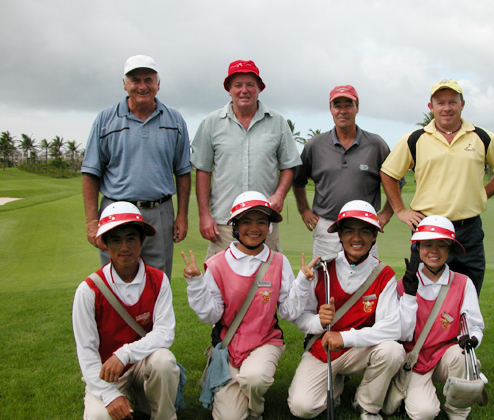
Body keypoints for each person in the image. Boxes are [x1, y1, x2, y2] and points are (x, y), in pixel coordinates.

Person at [182, 191, 314, 420]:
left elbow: (287, 311)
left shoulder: (278, 261)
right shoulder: (217, 264)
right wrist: (196, 284)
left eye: (261, 221)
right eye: (246, 221)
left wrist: (302, 283)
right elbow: (211, 315)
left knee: (254, 378)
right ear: (235, 226)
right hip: (229, 345)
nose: (254, 228)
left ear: (269, 227)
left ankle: (255, 410)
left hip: (265, 340)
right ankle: (238, 395)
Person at [380, 78, 494, 293]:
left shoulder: (481, 137)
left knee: (467, 293)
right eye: (440, 103)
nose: (447, 108)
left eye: (452, 102)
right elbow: (388, 173)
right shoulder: (415, 138)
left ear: (462, 104)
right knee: (419, 295)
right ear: (431, 106)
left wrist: (481, 194)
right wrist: (400, 210)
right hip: (427, 228)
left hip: (468, 229)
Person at [287, 200, 416, 420]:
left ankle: (366, 403)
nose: (356, 238)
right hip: (324, 348)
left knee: (392, 351)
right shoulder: (322, 268)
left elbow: (392, 329)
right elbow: (299, 317)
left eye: (364, 231)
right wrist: (318, 322)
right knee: (302, 408)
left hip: (359, 349)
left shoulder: (383, 274)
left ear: (374, 236)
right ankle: (336, 382)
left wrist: (345, 338)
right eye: (349, 231)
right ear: (339, 235)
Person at [81, 54, 192, 279]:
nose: (142, 86)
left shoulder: (175, 120)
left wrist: (182, 216)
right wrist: (92, 221)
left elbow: (182, 172)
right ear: (125, 84)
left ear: (158, 84)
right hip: (116, 212)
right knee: (115, 281)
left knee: (157, 280)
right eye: (135, 80)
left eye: (148, 80)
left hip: (159, 212)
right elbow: (91, 173)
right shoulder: (105, 120)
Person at [72, 201, 180, 420]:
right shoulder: (88, 290)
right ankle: (123, 399)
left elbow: (165, 333)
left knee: (164, 360)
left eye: (131, 238)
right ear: (105, 244)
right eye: (115, 240)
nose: (124, 247)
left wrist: (124, 354)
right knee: (99, 417)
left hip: (142, 366)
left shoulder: (158, 279)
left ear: (142, 240)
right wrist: (110, 395)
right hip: (108, 374)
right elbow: (87, 351)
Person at [190, 60, 301, 261]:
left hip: (264, 222)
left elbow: (288, 166)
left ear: (259, 88)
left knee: (268, 279)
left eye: (250, 85)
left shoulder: (277, 122)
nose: (244, 90)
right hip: (224, 224)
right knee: (220, 280)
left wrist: (279, 195)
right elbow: (203, 171)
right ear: (229, 90)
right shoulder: (211, 122)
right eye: (238, 85)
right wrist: (204, 215)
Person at [293, 84, 405, 259]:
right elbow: (298, 180)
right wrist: (304, 210)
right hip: (327, 228)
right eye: (337, 106)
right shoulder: (315, 145)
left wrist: (386, 213)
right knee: (325, 275)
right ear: (331, 109)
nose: (343, 111)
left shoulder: (376, 144)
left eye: (348, 105)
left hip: (365, 228)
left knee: (367, 276)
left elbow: (396, 180)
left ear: (357, 108)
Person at [394, 215, 484, 420]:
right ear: (417, 248)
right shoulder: (404, 284)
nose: (434, 251)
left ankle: (457, 411)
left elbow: (474, 325)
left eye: (442, 245)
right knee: (424, 413)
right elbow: (402, 334)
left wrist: (473, 339)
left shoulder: (463, 283)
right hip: (415, 360)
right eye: (427, 244)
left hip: (445, 357)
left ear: (450, 249)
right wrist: (409, 296)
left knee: (462, 355)